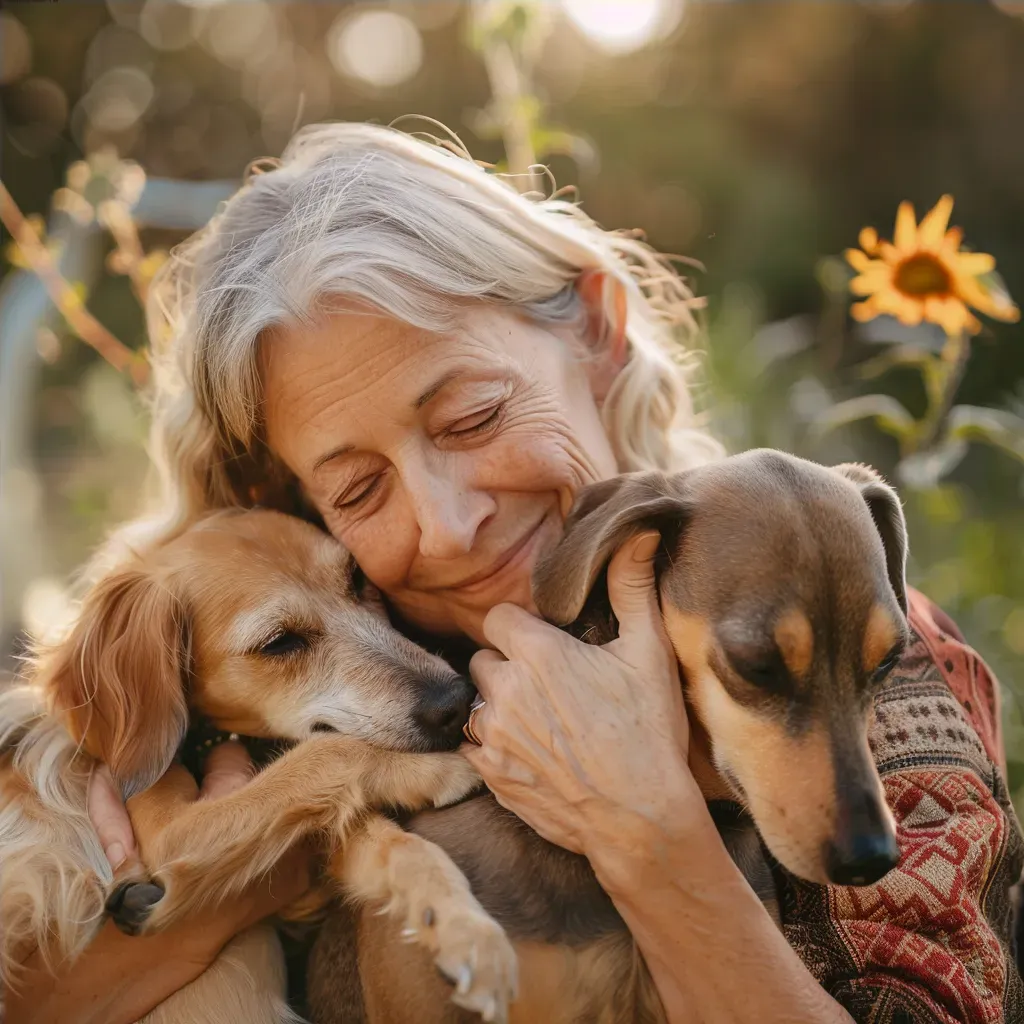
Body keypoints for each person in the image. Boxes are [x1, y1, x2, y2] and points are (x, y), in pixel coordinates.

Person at [5, 122, 1021, 1024]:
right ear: (290, 506)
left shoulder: (840, 643)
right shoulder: (248, 702)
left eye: (474, 419)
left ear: (597, 331)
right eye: (357, 490)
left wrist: (645, 833)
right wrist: (245, 871)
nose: (449, 525)